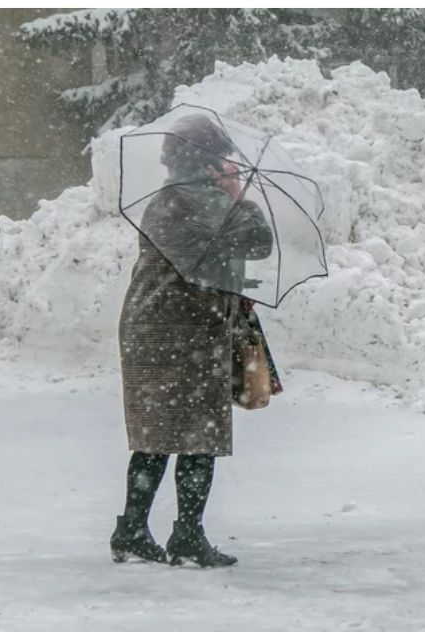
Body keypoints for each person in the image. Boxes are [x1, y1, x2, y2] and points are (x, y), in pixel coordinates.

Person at [111, 114, 273, 567]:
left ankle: (134, 532)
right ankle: (182, 537)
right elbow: (254, 240)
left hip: (168, 330)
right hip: (179, 334)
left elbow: (227, 251)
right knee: (196, 434)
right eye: (220, 157)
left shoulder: (180, 199)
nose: (226, 165)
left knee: (163, 434)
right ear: (202, 160)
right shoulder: (186, 202)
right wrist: (237, 196)